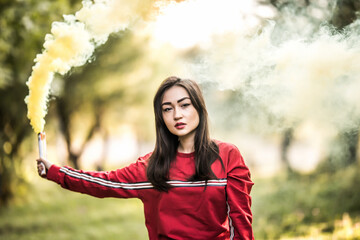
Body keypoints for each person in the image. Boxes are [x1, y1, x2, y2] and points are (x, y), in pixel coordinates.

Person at [37, 76, 254, 240]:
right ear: (161, 117)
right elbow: (104, 183)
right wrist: (55, 172)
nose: (177, 114)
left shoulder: (228, 156)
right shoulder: (152, 166)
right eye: (167, 109)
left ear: (199, 107)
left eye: (184, 105)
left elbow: (241, 220)